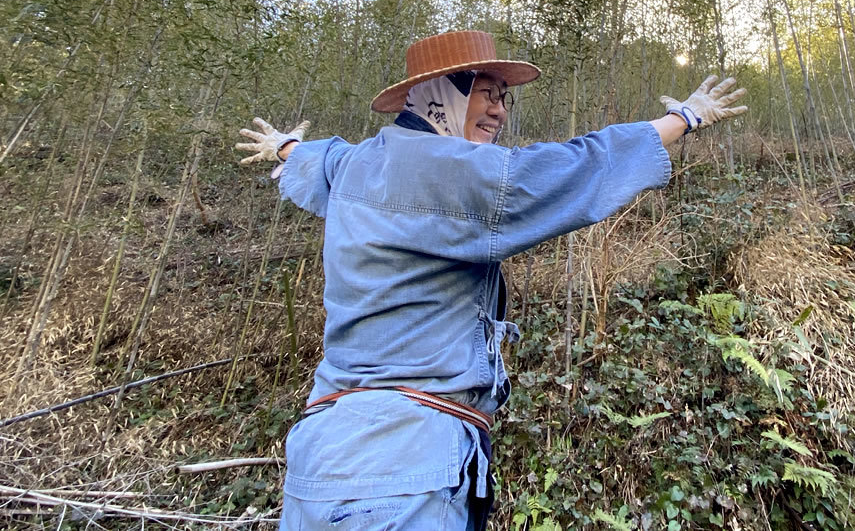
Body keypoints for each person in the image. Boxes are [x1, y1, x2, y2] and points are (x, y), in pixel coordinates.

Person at [235, 30, 747, 531]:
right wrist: (683, 118)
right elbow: (574, 168)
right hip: (404, 468)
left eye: (503, 98)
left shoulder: (356, 162)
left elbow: (317, 160)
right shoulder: (459, 172)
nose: (500, 110)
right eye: (485, 92)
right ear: (441, 95)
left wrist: (286, 146)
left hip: (321, 456)